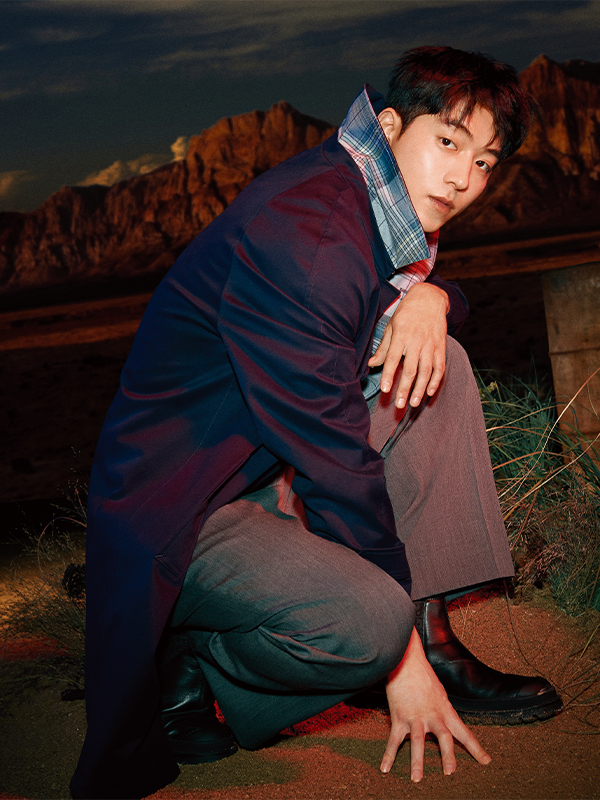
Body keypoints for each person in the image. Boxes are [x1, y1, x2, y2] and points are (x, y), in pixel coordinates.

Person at [71, 46, 562, 800]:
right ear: (390, 126)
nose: (464, 178)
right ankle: (198, 652)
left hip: (256, 468)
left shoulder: (372, 196)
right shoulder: (313, 232)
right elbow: (335, 460)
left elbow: (384, 308)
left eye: (485, 161)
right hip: (183, 506)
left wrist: (434, 299)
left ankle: (431, 632)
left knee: (444, 364)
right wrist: (397, 663)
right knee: (368, 624)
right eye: (448, 142)